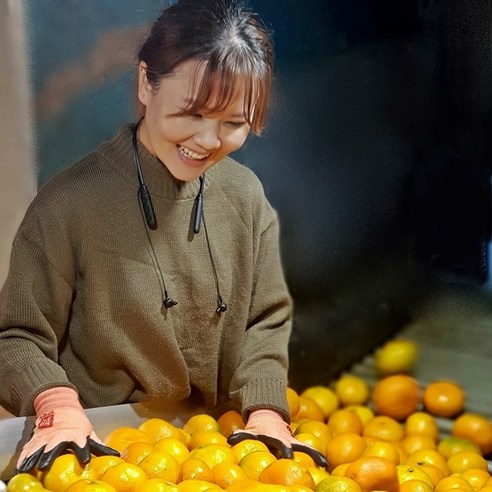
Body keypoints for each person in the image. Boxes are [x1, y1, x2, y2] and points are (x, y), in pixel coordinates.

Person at [0, 0, 327, 474]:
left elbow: (265, 321)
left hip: (215, 454)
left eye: (233, 124)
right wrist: (57, 407)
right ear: (145, 84)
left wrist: (266, 411)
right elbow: (15, 335)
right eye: (191, 114)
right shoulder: (69, 203)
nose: (209, 141)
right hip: (100, 456)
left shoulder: (245, 197)